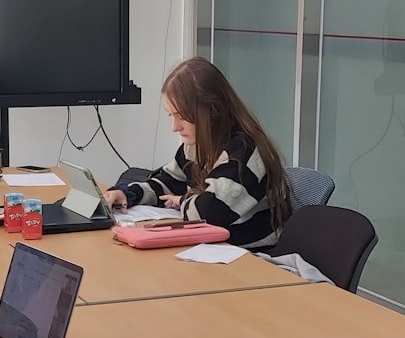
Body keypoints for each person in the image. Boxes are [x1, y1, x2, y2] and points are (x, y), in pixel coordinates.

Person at [104, 57, 290, 249]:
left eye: (182, 116)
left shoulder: (245, 152)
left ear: (211, 111)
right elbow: (168, 182)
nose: (174, 127)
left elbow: (209, 213)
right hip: (212, 249)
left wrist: (181, 200)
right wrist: (129, 194)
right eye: (171, 115)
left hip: (252, 255)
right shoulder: (196, 146)